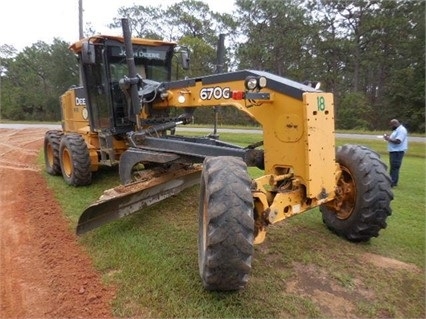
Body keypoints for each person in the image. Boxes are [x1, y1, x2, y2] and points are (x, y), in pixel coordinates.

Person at [383, 119, 408, 187]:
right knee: (393, 167)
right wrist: (388, 137)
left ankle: (392, 183)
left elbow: (398, 141)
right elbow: (394, 138)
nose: (391, 127)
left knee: (395, 167)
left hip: (398, 151)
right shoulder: (397, 130)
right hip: (394, 150)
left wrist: (388, 139)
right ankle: (392, 181)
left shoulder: (401, 130)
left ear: (395, 124)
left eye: (391, 125)